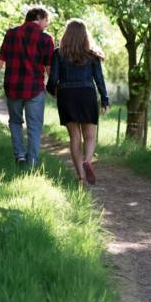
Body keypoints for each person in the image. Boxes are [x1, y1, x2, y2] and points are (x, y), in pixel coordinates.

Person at [0, 6, 55, 170]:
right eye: (46, 21)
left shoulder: (12, 33)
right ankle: (32, 162)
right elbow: (48, 66)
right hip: (34, 87)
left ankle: (20, 156)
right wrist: (54, 85)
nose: (47, 25)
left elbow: (1, 57)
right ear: (39, 17)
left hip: (13, 86)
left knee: (15, 122)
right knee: (34, 126)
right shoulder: (45, 39)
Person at [46, 18, 109, 185]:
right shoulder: (92, 54)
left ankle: (81, 176)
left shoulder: (58, 53)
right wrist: (105, 100)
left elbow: (53, 79)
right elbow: (99, 79)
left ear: (67, 34)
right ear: (84, 34)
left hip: (67, 95)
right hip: (87, 94)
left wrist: (53, 92)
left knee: (75, 137)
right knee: (90, 137)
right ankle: (87, 160)